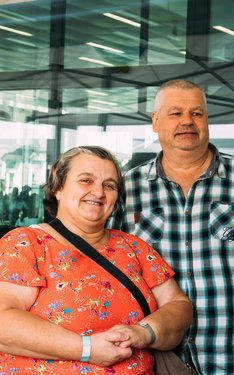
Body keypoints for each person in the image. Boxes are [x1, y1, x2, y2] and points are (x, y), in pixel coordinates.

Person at [110, 79, 234, 374]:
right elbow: (111, 270)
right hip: (152, 359)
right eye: (175, 113)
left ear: (207, 119)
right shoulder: (129, 188)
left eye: (196, 113)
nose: (187, 122)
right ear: (155, 122)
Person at [0, 146, 192, 374]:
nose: (98, 192)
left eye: (109, 185)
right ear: (57, 188)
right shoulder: (26, 243)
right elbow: (4, 321)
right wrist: (87, 349)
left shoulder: (133, 246)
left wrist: (145, 332)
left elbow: (178, 305)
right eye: (86, 180)